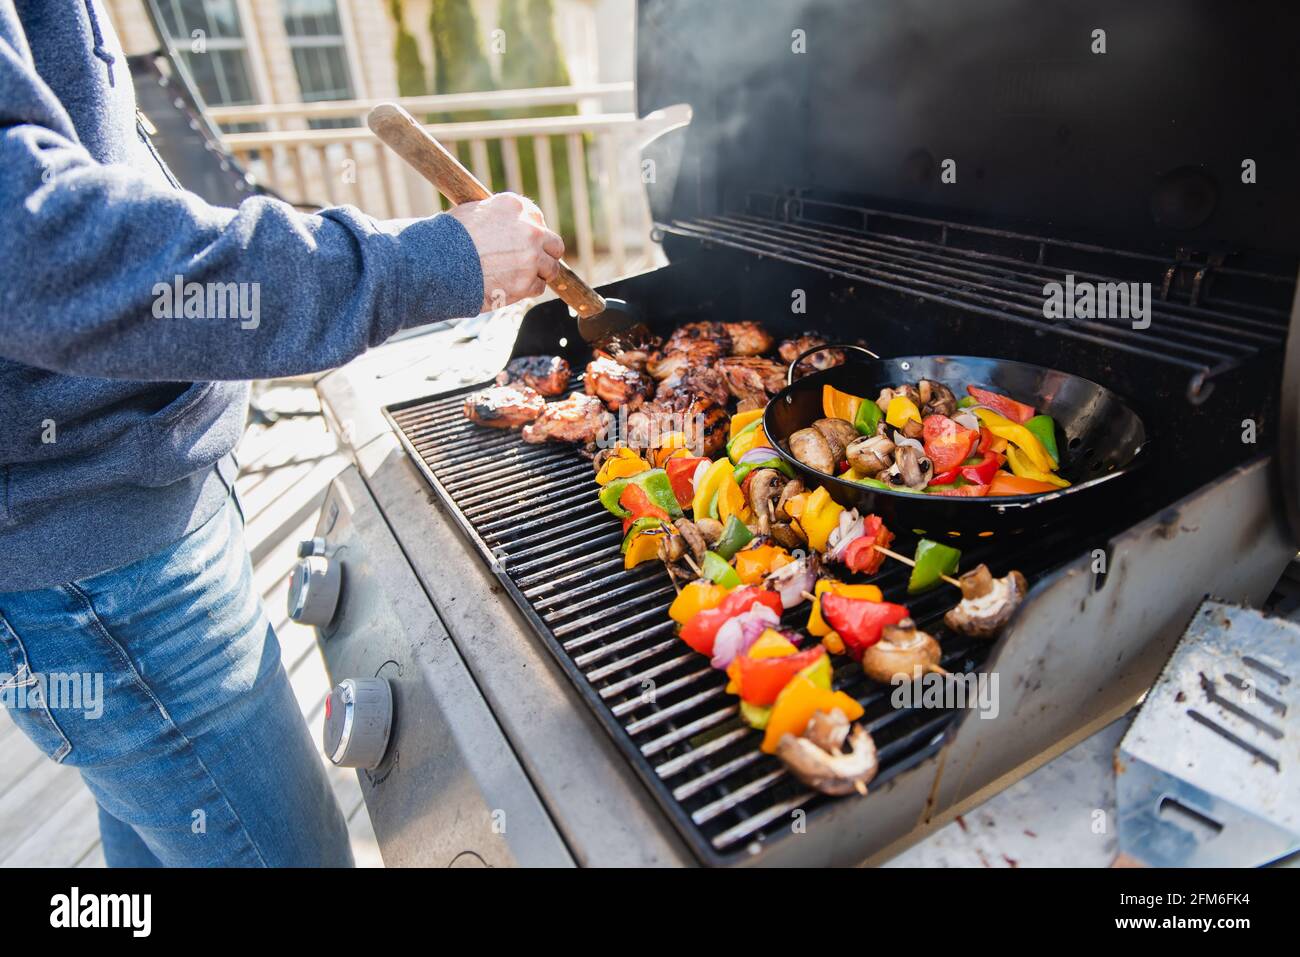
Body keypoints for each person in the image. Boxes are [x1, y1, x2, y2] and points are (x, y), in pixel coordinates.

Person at [0, 1, 562, 866]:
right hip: (98, 572)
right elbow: (41, 249)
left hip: (132, 505)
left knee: (163, 829)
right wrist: (420, 264)